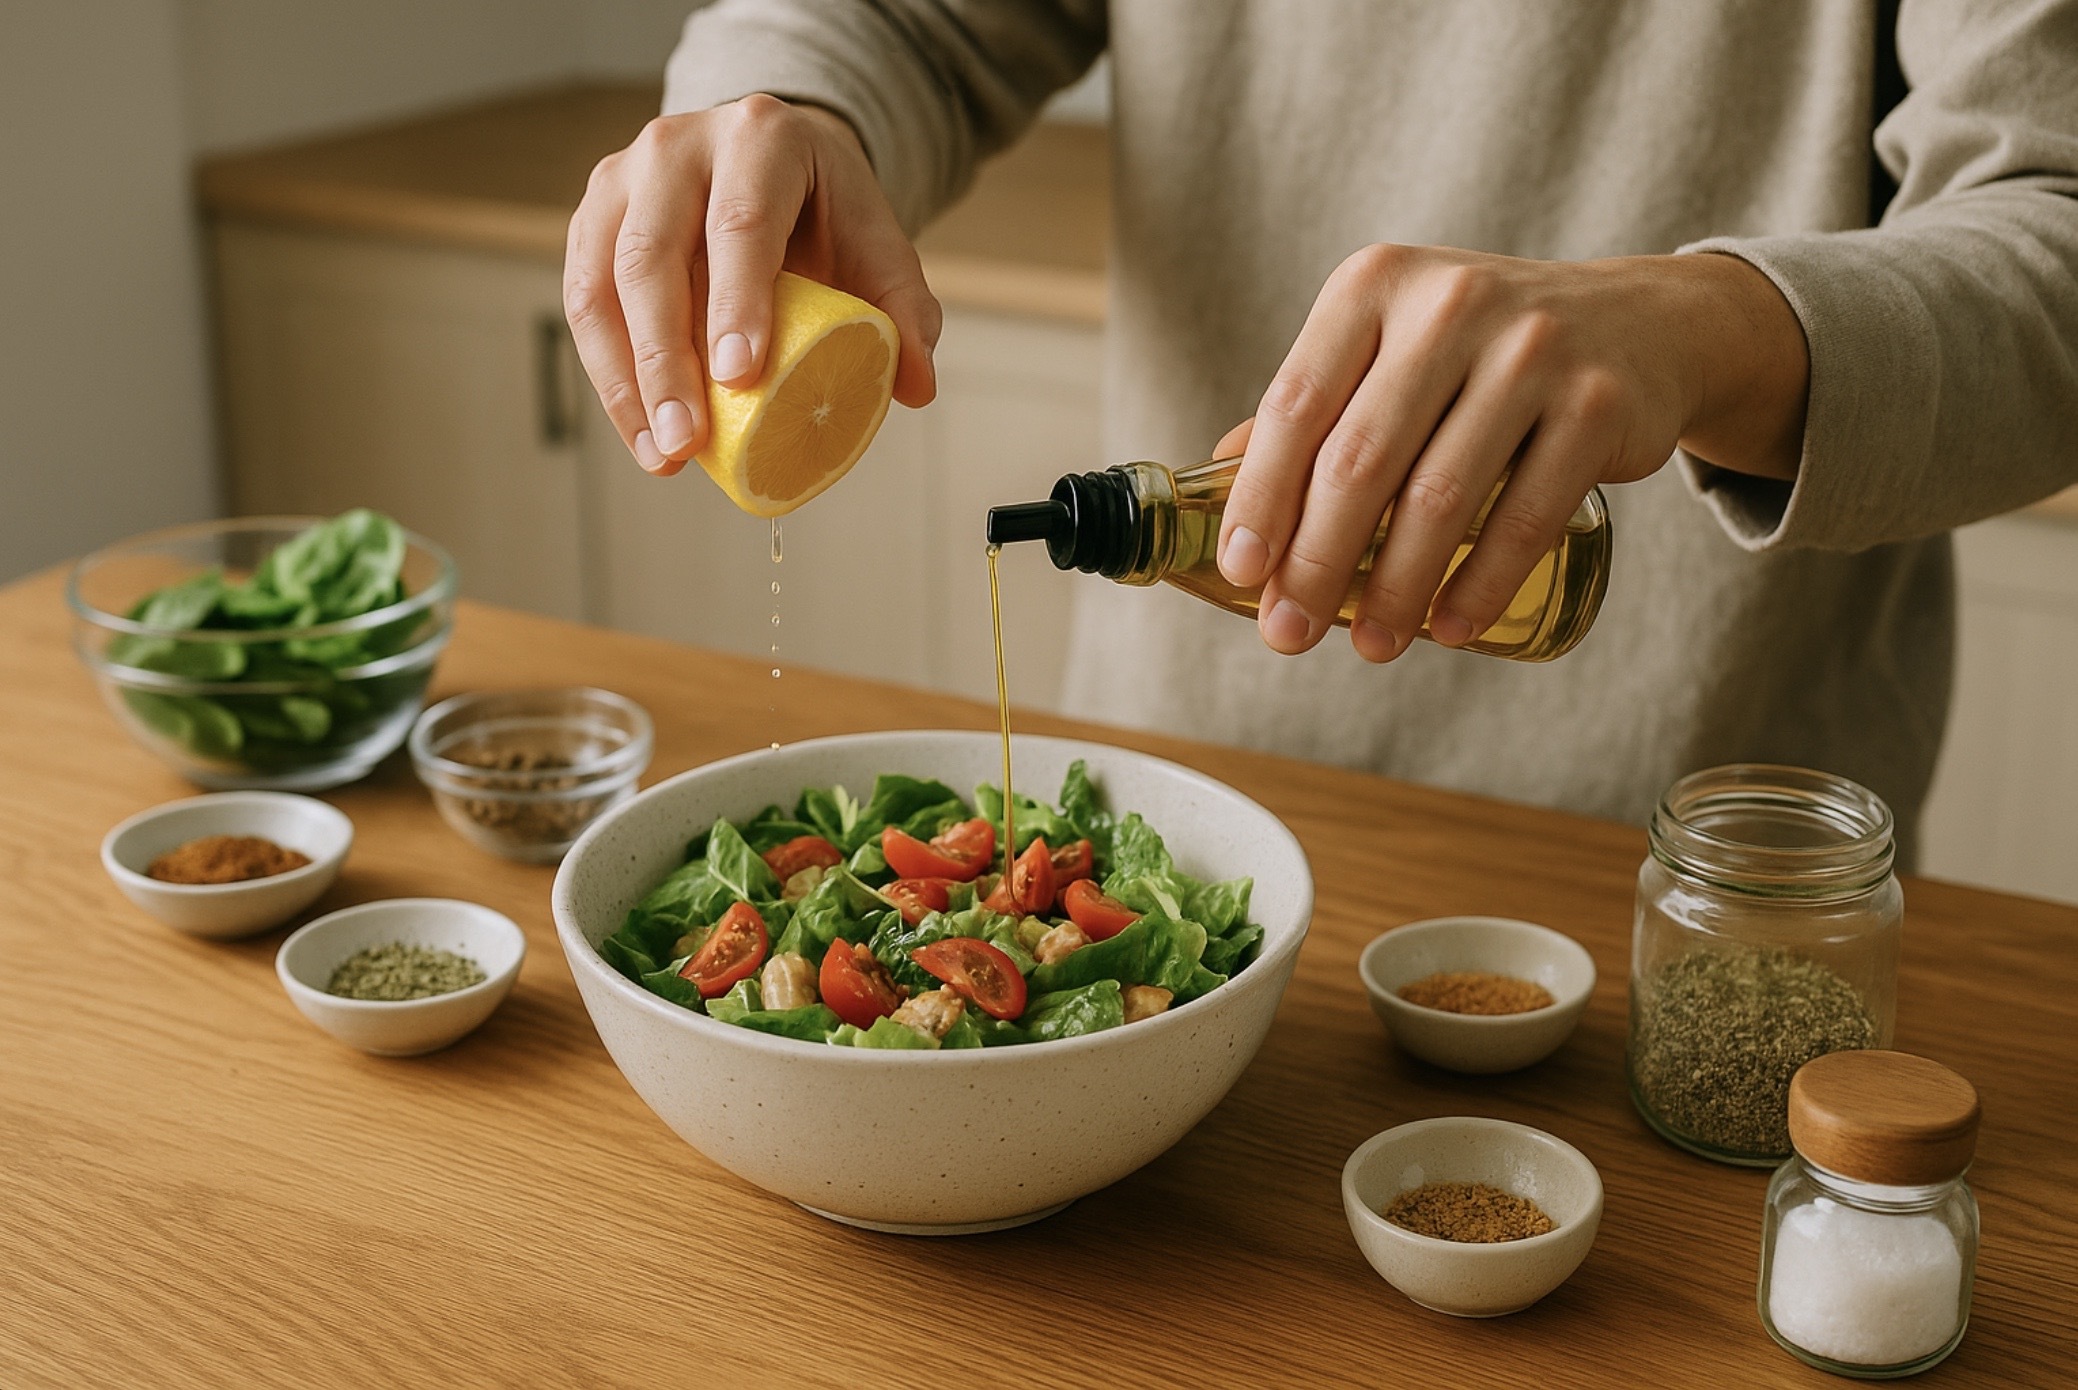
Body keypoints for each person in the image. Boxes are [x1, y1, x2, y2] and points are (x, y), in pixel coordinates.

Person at [562, 0, 2078, 861]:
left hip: (1712, 869)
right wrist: (786, 106)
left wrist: (1702, 324)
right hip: (1171, 810)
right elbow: (898, 17)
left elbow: (2053, 222)